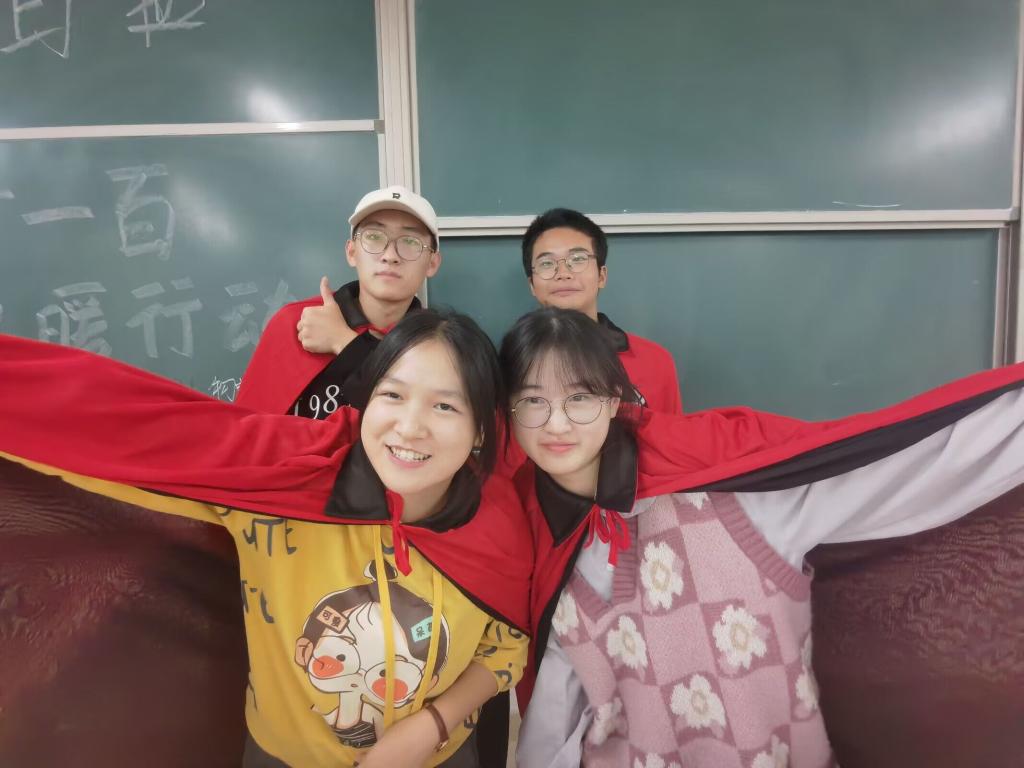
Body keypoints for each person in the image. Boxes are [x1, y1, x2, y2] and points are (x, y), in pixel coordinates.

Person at [0, 310, 531, 768]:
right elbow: (119, 424)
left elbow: (508, 645)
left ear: (481, 430)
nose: (410, 427)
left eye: (445, 406)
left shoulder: (499, 521)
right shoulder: (288, 478)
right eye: (392, 394)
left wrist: (433, 725)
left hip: (440, 756)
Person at [502, 307, 1024, 768]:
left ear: (616, 399)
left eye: (580, 397)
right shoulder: (532, 523)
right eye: (532, 400)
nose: (556, 423)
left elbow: (888, 464)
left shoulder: (729, 486)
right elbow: (555, 695)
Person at [236, 185, 441, 417]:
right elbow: (248, 427)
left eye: (411, 241)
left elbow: (421, 421)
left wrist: (342, 342)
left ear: (432, 263)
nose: (390, 255)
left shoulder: (439, 346)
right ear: (351, 252)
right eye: (374, 237)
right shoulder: (297, 322)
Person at [521, 208, 682, 414]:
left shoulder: (655, 361)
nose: (563, 273)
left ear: (601, 276)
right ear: (531, 285)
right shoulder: (514, 364)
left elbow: (670, 433)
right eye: (546, 263)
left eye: (578, 259)